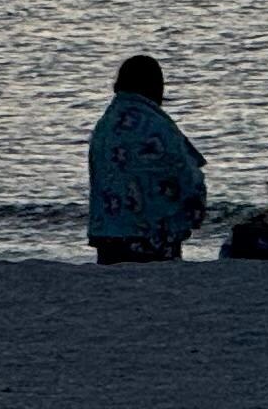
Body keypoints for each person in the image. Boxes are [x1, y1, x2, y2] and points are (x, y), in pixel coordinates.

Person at [87, 54, 206, 263]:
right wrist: (193, 215)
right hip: (151, 233)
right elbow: (187, 176)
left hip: (107, 231)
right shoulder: (157, 126)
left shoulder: (106, 125)